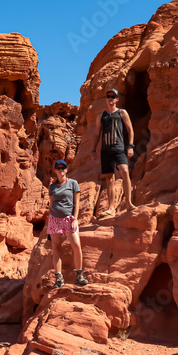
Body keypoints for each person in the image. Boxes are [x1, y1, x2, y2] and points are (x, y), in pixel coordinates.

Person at [90, 88, 135, 215]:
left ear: (117, 99)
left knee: (125, 172)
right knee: (109, 179)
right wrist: (94, 149)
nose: (110, 99)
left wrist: (130, 145)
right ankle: (111, 208)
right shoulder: (101, 116)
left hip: (119, 149)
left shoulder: (122, 113)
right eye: (108, 96)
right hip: (105, 150)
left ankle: (129, 203)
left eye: (113, 96)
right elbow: (96, 134)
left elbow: (130, 129)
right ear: (106, 98)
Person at [46, 159, 87, 288]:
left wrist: (75, 219)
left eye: (63, 167)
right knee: (56, 248)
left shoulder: (73, 183)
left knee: (76, 245)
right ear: (55, 171)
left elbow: (77, 203)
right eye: (58, 168)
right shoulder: (52, 187)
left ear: (66, 169)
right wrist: (49, 222)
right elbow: (52, 204)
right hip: (54, 219)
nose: (61, 170)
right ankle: (58, 278)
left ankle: (79, 275)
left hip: (69, 219)